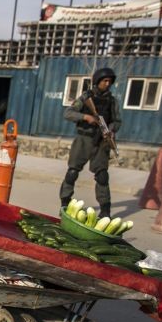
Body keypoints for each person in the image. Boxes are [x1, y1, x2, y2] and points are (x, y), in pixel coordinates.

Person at [60, 67, 122, 218]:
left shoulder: (112, 101)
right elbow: (68, 113)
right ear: (98, 81)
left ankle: (105, 211)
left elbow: (117, 121)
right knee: (72, 172)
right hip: (84, 139)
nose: (107, 84)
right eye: (105, 81)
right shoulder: (86, 97)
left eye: (110, 81)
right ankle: (65, 204)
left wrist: (111, 130)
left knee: (102, 176)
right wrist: (86, 117)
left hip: (101, 141)